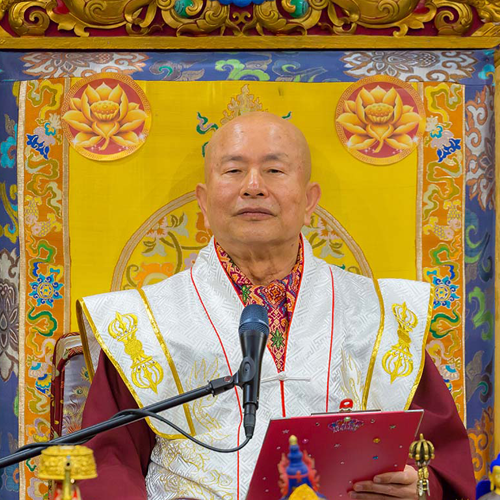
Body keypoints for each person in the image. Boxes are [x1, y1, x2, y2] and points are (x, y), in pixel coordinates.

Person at [78, 112, 475, 500]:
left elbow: (440, 459)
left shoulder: (383, 314)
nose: (253, 186)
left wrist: (421, 486)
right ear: (203, 201)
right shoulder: (143, 322)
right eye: (234, 170)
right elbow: (106, 463)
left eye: (274, 170)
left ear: (309, 199)